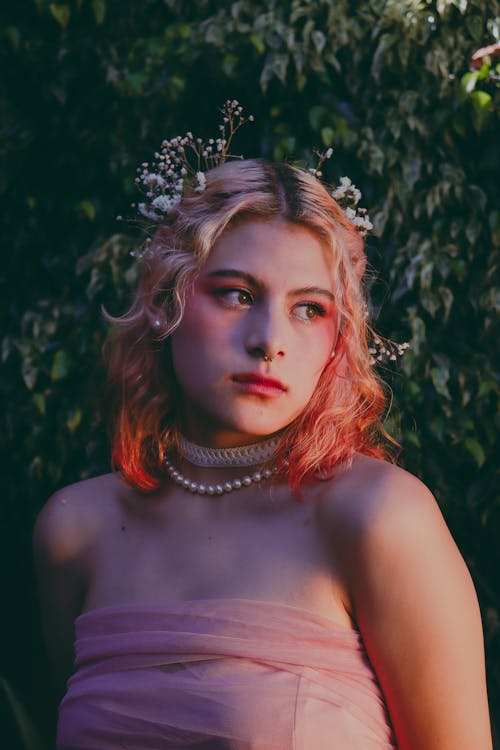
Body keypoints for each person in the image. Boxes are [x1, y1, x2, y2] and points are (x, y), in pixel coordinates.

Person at [33, 105, 492, 749]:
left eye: (309, 309)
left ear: (339, 338)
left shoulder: (378, 517)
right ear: (170, 301)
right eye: (237, 294)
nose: (269, 341)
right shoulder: (74, 530)